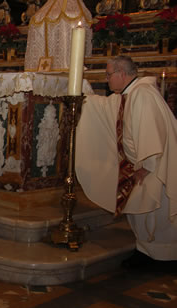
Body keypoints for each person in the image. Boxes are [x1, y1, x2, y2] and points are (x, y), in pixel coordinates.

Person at [75, 55, 177, 269]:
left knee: (153, 211)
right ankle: (145, 251)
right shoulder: (130, 94)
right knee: (139, 210)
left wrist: (146, 167)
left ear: (122, 74)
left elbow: (153, 134)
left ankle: (162, 258)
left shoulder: (143, 94)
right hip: (141, 166)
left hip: (153, 167)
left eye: (109, 74)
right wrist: (81, 97)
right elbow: (107, 107)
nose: (107, 79)